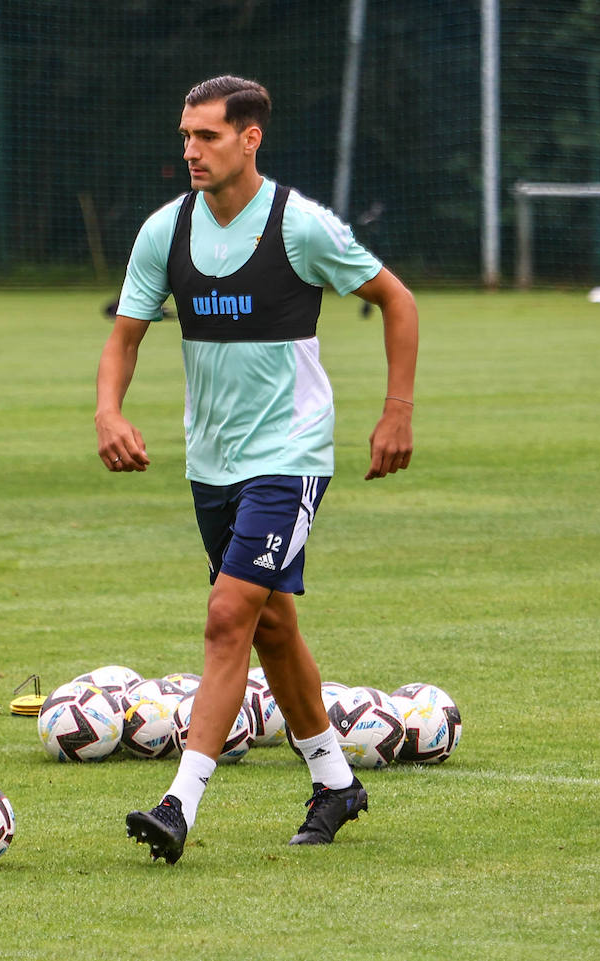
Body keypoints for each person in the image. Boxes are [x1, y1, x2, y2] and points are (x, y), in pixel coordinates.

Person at [95, 75, 417, 865]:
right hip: (212, 462)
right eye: (185, 135)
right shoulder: (164, 232)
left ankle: (179, 802)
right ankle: (336, 782)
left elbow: (397, 300)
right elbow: (127, 336)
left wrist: (396, 412)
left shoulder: (300, 226)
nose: (190, 151)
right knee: (271, 623)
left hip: (292, 454)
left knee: (227, 614)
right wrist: (109, 411)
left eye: (206, 136)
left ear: (250, 139)